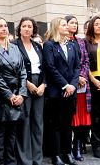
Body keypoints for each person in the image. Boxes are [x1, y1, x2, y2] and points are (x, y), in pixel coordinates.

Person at [0, 17, 27, 165]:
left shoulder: (14, 48)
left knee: (12, 136)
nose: (4, 29)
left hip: (16, 96)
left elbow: (22, 72)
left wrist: (21, 94)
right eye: (0, 26)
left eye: (5, 26)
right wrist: (10, 95)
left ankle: (11, 162)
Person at [43, 17, 80, 165]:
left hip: (71, 91)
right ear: (56, 28)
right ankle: (56, 155)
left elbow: (77, 67)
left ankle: (67, 153)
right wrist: (65, 85)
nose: (67, 27)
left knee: (67, 124)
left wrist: (72, 85)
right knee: (55, 125)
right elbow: (50, 68)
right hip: (56, 92)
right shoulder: (49, 45)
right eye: (64, 25)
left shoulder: (72, 45)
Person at [13, 17, 45, 165]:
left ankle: (37, 159)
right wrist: (27, 84)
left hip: (39, 85)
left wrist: (43, 84)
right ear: (19, 29)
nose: (27, 28)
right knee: (24, 123)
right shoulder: (14, 46)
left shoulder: (38, 46)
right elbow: (13, 69)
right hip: (23, 84)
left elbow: (45, 67)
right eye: (24, 26)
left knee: (38, 123)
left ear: (34, 30)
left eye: (30, 26)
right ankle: (25, 160)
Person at [65, 15, 91, 161]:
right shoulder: (62, 41)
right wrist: (75, 79)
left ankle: (78, 146)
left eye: (76, 23)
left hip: (82, 86)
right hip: (69, 85)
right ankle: (68, 148)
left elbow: (86, 61)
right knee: (71, 119)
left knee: (83, 119)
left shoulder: (81, 41)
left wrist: (82, 76)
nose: (74, 25)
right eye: (71, 23)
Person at [85, 16, 100, 159]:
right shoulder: (87, 43)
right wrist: (93, 80)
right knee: (96, 115)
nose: (99, 26)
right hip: (93, 81)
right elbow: (85, 63)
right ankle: (96, 144)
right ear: (92, 27)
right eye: (96, 24)